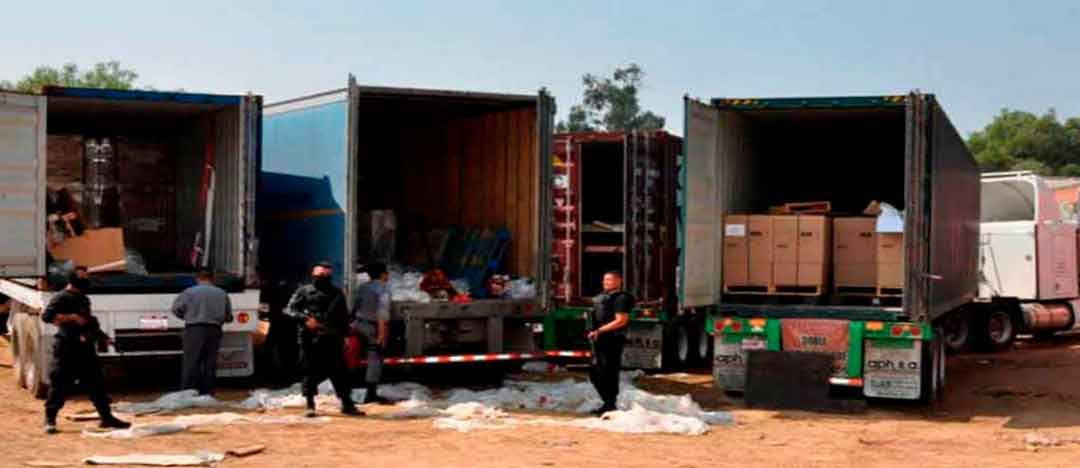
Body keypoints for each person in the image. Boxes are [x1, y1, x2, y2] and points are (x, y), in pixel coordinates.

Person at [42, 268, 130, 434]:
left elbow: (89, 322)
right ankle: (50, 420)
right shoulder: (61, 297)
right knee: (59, 385)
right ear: (73, 280)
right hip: (67, 349)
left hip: (85, 349)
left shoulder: (83, 298)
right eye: (83, 278)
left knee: (97, 385)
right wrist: (72, 317)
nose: (87, 281)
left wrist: (104, 338)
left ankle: (106, 418)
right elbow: (47, 317)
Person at [285, 262, 362, 417]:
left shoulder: (337, 293)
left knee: (339, 372)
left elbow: (343, 317)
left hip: (332, 338)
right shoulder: (304, 291)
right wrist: (306, 319)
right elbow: (290, 309)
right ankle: (310, 405)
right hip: (309, 338)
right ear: (313, 275)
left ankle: (347, 404)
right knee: (309, 371)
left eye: (326, 275)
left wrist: (345, 335)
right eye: (320, 275)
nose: (323, 278)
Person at [172, 269, 232, 396]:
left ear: (197, 278)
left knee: (191, 362)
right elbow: (228, 316)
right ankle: (208, 393)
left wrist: (187, 316)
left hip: (194, 329)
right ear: (213, 278)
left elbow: (176, 309)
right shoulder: (222, 293)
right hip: (214, 330)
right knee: (210, 363)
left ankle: (188, 392)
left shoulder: (189, 292)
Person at [587, 270, 634, 415]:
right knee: (595, 371)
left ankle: (610, 404)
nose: (605, 282)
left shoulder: (621, 298)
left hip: (613, 339)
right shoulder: (603, 297)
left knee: (608, 371)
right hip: (599, 338)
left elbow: (621, 320)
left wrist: (600, 330)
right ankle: (607, 402)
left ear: (619, 281)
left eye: (609, 280)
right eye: (604, 280)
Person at [350, 263, 392, 405]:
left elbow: (355, 307)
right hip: (372, 327)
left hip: (357, 324)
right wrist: (382, 334)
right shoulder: (383, 289)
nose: (388, 275)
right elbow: (382, 312)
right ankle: (371, 394)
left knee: (353, 357)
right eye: (386, 273)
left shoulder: (363, 287)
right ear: (383, 274)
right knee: (375, 358)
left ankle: (349, 391)